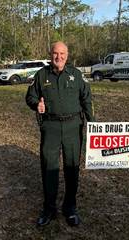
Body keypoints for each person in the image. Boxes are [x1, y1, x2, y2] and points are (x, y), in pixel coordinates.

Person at [26, 41, 94, 227]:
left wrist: (93, 123)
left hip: (73, 126)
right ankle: (49, 209)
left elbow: (86, 98)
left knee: (72, 167)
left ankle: (70, 208)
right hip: (51, 127)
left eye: (62, 53)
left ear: (67, 55)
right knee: (49, 168)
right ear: (50, 55)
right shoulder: (41, 75)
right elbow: (30, 96)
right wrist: (36, 104)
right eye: (56, 53)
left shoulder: (76, 75)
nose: (59, 57)